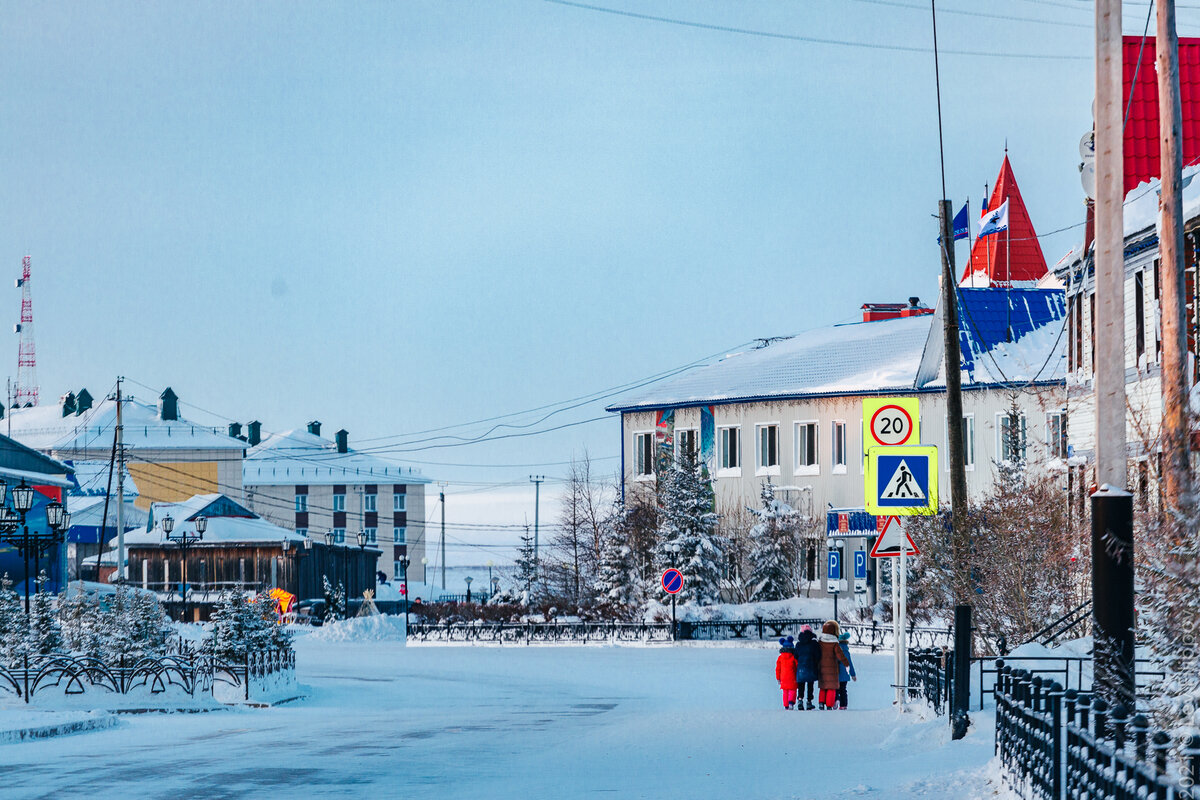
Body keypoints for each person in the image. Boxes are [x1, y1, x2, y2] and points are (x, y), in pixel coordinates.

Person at [817, 619, 850, 710]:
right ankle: (829, 704)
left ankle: (821, 702)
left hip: (822, 668)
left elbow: (816, 653)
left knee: (823, 687)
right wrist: (846, 664)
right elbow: (841, 656)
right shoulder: (835, 644)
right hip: (833, 669)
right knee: (831, 687)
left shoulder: (820, 642)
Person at [793, 625, 820, 710]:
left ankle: (800, 700)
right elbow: (818, 655)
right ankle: (809, 701)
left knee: (801, 684)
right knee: (810, 685)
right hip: (811, 666)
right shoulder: (814, 644)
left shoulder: (798, 644)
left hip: (801, 667)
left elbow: (796, 655)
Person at [775, 636, 798, 710]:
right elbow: (797, 665)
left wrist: (778, 678)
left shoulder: (780, 657)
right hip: (792, 676)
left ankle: (786, 705)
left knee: (785, 691)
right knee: (792, 690)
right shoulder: (793, 657)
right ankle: (791, 702)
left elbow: (778, 669)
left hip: (783, 677)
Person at [836, 631, 857, 709]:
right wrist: (853, 674)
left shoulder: (835, 651)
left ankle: (836, 700)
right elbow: (850, 664)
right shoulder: (846, 652)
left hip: (836, 673)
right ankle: (843, 705)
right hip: (845, 674)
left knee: (836, 689)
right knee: (843, 690)